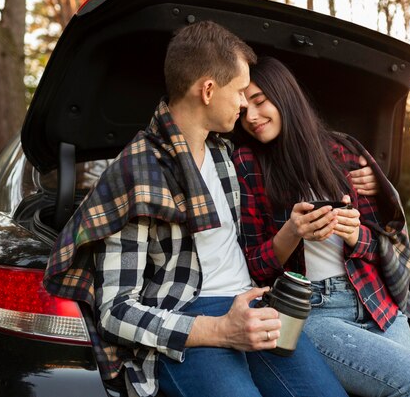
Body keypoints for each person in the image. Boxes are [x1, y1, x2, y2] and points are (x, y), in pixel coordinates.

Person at [44, 22, 349, 397]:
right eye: (239, 91)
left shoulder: (224, 154)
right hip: (187, 316)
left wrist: (358, 170)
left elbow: (286, 142)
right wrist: (220, 330)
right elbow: (116, 312)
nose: (244, 104)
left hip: (254, 305)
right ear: (207, 90)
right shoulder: (137, 174)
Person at [232, 56, 410, 397]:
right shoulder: (247, 163)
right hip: (313, 313)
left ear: (285, 96)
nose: (253, 117)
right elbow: (254, 264)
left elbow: (382, 241)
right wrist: (293, 232)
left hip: (375, 301)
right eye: (244, 110)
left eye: (260, 102)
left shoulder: (342, 151)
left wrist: (354, 234)